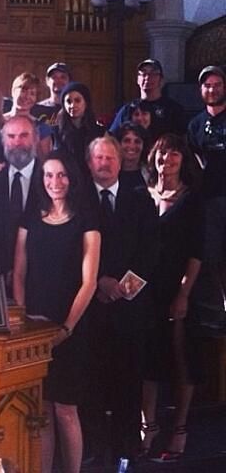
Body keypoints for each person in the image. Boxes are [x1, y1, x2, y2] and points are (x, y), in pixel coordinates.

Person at [13, 151, 100, 473]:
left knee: (66, 410)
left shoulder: (86, 220)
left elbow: (89, 282)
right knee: (42, 410)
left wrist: (66, 328)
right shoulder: (30, 219)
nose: (55, 182)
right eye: (48, 175)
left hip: (70, 327)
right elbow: (19, 274)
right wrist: (24, 321)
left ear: (72, 178)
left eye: (61, 174)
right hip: (35, 327)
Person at [82, 135, 158, 465]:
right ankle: (93, 452)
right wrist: (99, 282)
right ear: (89, 163)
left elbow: (151, 248)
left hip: (130, 308)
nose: (104, 163)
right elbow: (70, 249)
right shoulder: (79, 200)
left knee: (128, 384)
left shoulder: (139, 198)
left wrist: (122, 287)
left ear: (120, 161)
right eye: (98, 158)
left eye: (109, 158)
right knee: (93, 385)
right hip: (90, 309)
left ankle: (127, 450)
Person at [141, 134, 203, 463]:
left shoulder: (192, 200)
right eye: (163, 154)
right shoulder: (143, 194)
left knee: (180, 360)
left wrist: (183, 293)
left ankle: (179, 430)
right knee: (148, 358)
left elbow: (196, 252)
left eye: (175, 154)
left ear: (183, 159)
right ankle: (147, 426)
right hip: (145, 290)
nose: (168, 160)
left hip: (179, 289)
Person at [0, 116, 40, 296]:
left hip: (41, 278)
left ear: (36, 138)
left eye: (24, 136)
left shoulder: (51, 179)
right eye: (11, 137)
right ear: (3, 141)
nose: (17, 142)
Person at [186, 65, 226, 330]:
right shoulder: (195, 124)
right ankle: (218, 315)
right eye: (207, 85)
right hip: (207, 202)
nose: (212, 89)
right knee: (210, 259)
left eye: (217, 84)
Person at [109, 59, 186, 141]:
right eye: (143, 74)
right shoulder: (128, 109)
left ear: (161, 80)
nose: (147, 77)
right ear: (138, 79)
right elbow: (112, 137)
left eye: (153, 74)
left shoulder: (173, 110)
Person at [53, 81, 105, 176]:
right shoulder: (56, 132)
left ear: (86, 102)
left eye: (77, 100)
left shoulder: (99, 132)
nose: (72, 105)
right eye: (69, 101)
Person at [4, 72, 53, 157]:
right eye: (23, 91)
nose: (27, 97)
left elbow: (45, 159)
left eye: (32, 94)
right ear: (13, 91)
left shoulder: (42, 127)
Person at [114, 122, 149, 192]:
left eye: (137, 141)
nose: (132, 146)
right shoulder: (109, 172)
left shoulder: (150, 175)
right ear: (118, 144)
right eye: (127, 141)